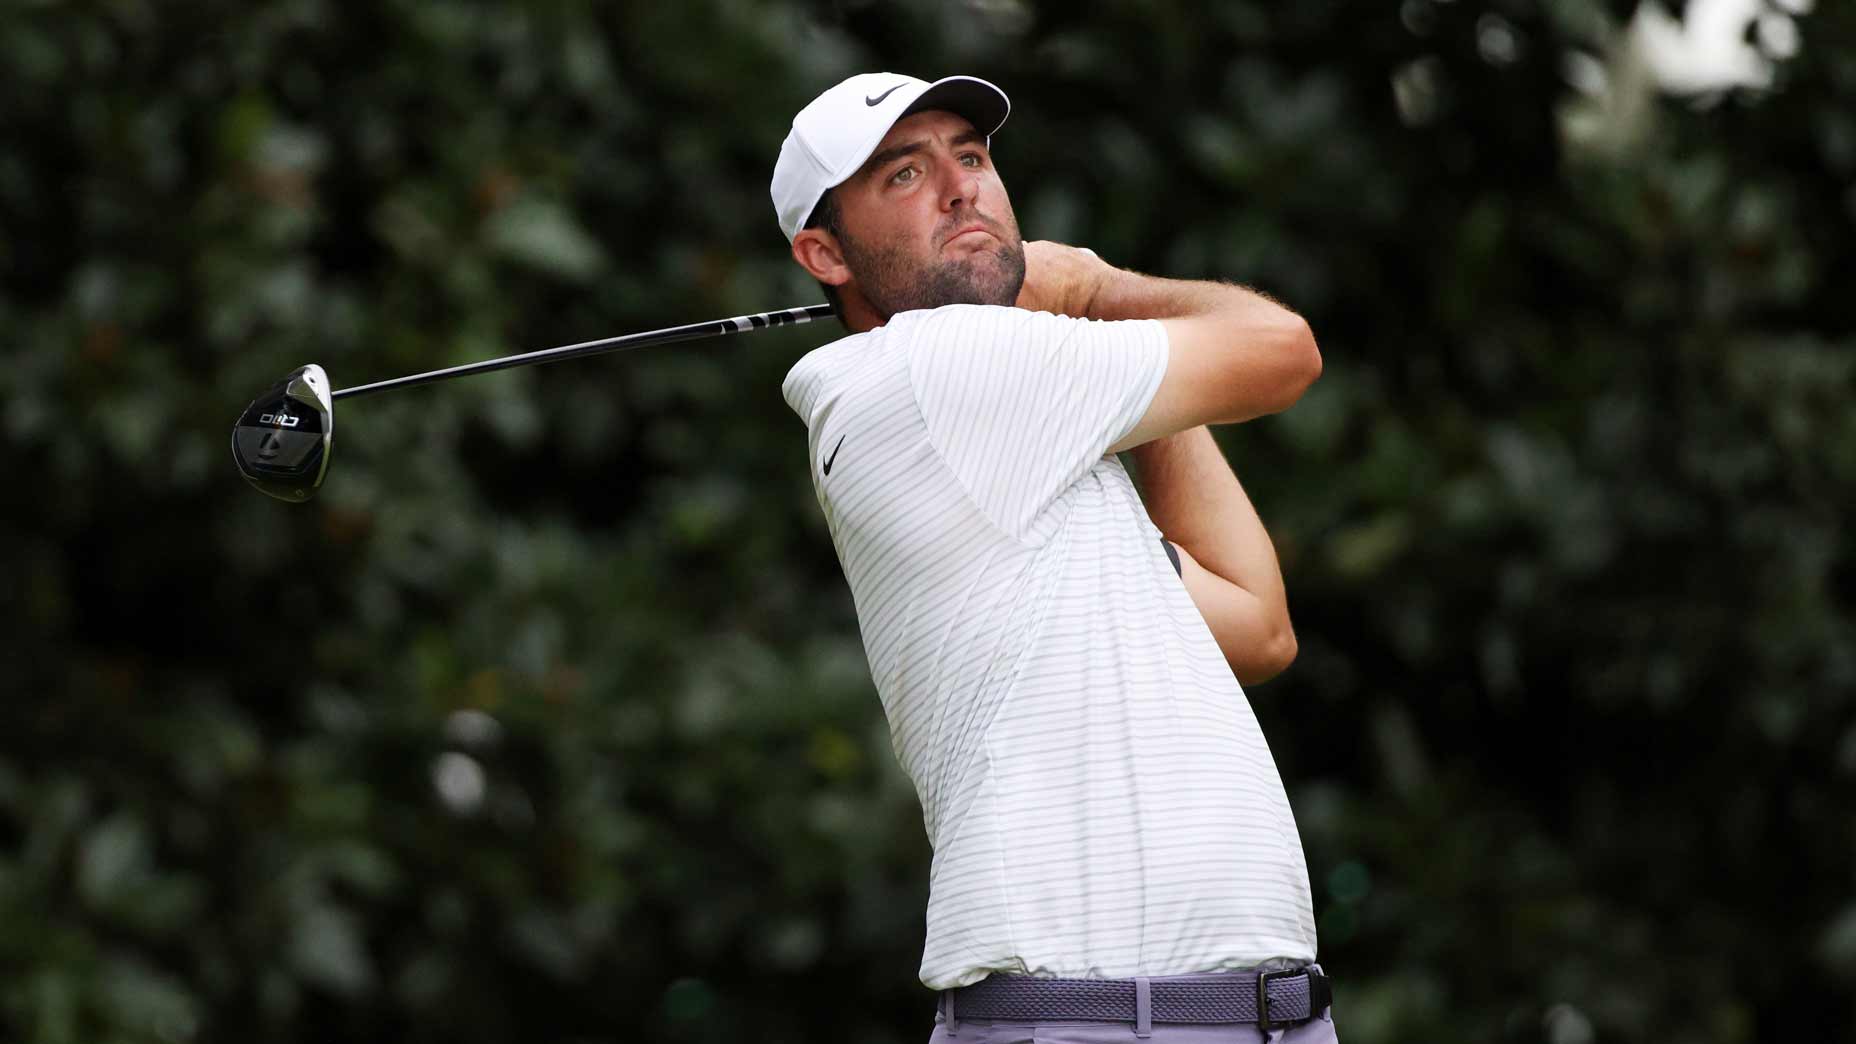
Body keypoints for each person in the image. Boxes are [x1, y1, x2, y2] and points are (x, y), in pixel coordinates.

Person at [772, 73, 1336, 1043]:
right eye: (904, 173)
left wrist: (1101, 338)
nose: (962, 191)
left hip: (1250, 1019)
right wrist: (1098, 289)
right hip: (1096, 1021)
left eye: (973, 158)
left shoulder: (1030, 438)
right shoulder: (932, 372)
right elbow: (1280, 349)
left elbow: (1255, 626)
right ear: (824, 253)